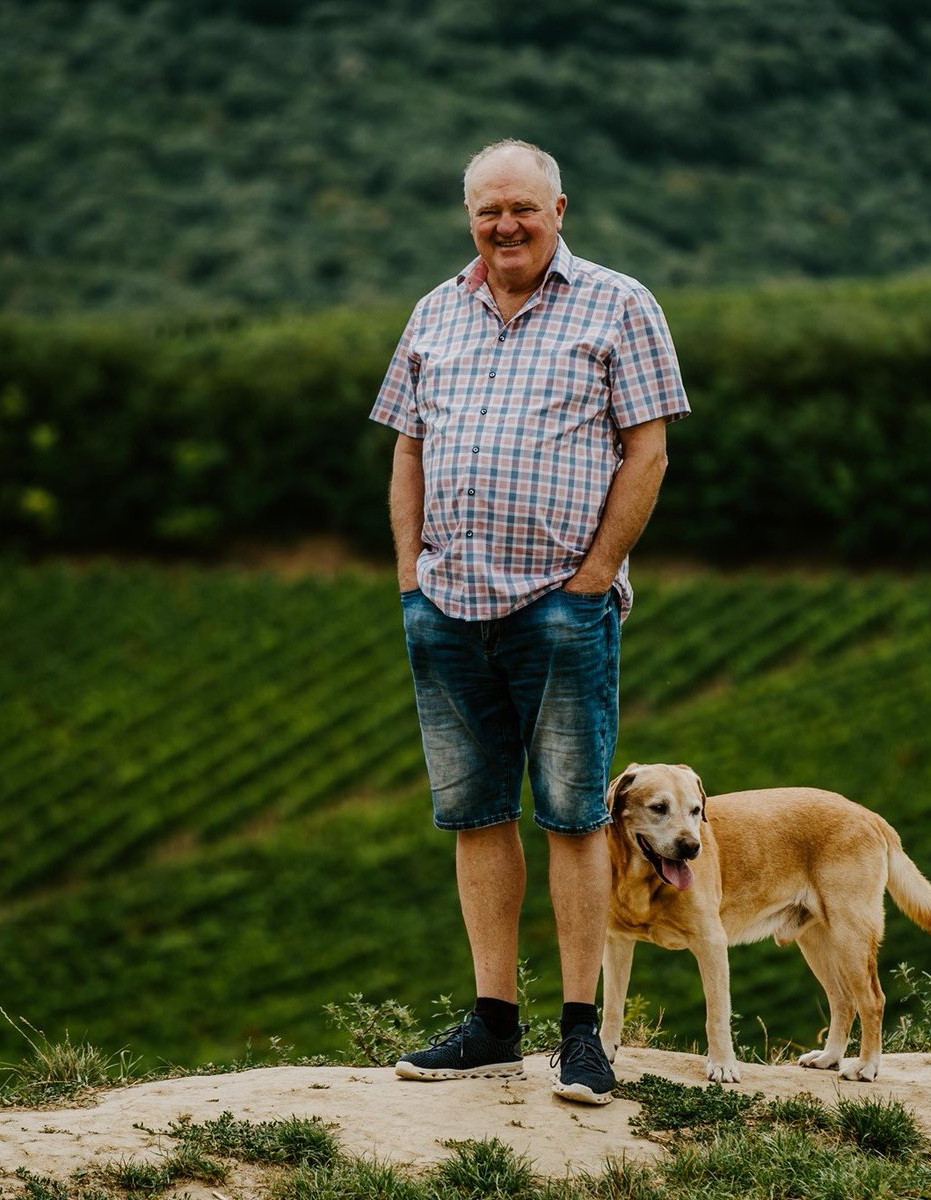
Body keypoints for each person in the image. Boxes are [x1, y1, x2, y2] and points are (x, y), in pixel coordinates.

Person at [369, 139, 690, 1105]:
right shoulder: (434, 311)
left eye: (522, 208)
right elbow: (407, 453)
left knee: (574, 815)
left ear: (559, 208)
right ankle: (492, 1024)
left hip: (561, 605)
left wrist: (592, 579)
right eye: (486, 211)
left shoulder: (619, 304)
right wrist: (409, 581)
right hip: (448, 605)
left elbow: (649, 453)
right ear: (469, 217)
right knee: (475, 816)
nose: (504, 225)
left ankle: (582, 1035)